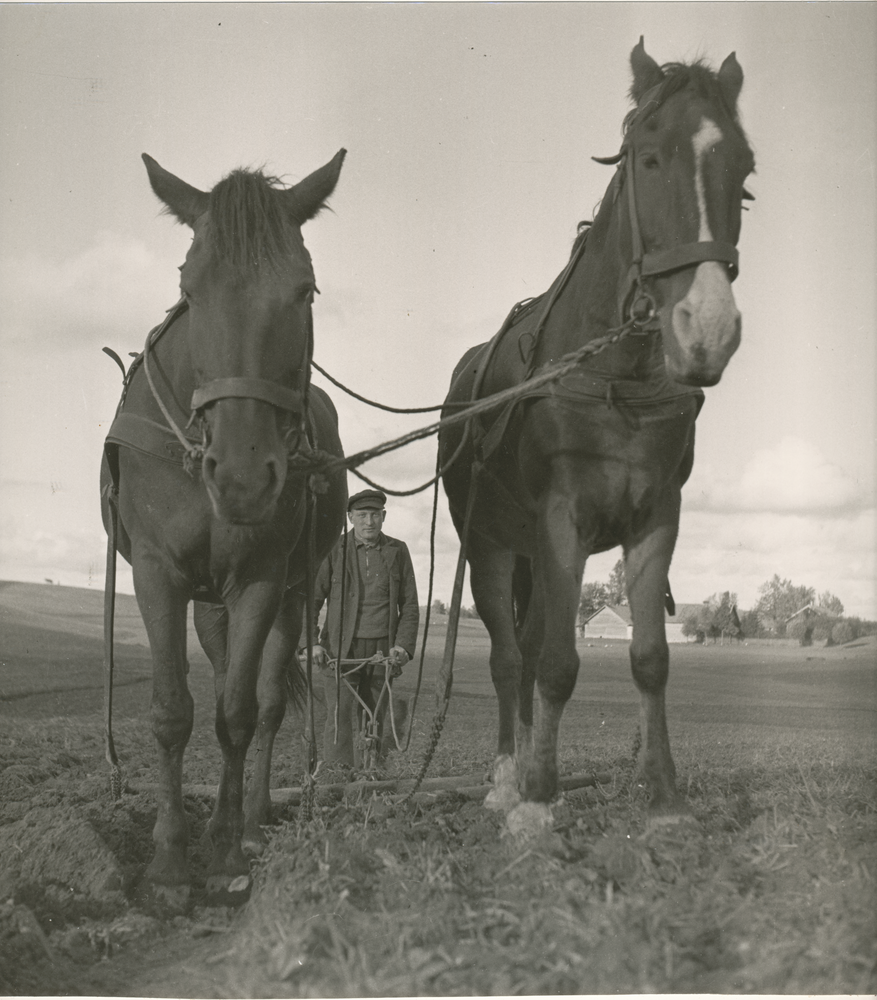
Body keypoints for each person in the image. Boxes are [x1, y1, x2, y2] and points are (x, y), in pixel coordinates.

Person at [307, 489, 419, 769]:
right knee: (339, 716)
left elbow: (411, 605)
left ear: (384, 517)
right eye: (361, 515)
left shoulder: (398, 550)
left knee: (376, 716)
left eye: (375, 515)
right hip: (340, 651)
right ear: (350, 518)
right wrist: (310, 643)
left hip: (383, 650)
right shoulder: (335, 550)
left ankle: (373, 778)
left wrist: (403, 646)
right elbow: (310, 599)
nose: (369, 521)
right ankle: (336, 778)